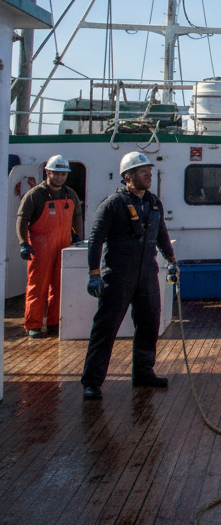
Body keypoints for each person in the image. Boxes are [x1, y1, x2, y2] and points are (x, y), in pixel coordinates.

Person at [80, 151, 178, 400]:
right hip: (118, 276)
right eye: (143, 171)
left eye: (150, 170)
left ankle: (143, 371)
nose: (149, 174)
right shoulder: (112, 204)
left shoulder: (154, 202)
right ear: (128, 177)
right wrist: (94, 274)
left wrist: (171, 260)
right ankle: (92, 381)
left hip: (147, 274)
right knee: (106, 328)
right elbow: (96, 240)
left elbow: (161, 234)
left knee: (149, 324)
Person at [16, 155, 84, 338]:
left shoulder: (71, 194)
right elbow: (22, 219)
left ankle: (55, 323)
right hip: (40, 248)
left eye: (63, 174)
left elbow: (78, 216)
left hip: (64, 246)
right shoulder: (35, 195)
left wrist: (78, 237)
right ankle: (34, 325)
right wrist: (23, 243)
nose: (60, 178)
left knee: (60, 287)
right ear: (48, 172)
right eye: (56, 174)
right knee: (37, 287)